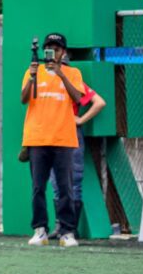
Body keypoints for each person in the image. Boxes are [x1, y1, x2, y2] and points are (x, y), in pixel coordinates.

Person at [21, 33, 84, 248]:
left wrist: (61, 75)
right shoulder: (34, 71)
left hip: (63, 138)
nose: (53, 52)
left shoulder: (73, 72)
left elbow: (78, 98)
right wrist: (31, 77)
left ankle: (67, 231)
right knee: (38, 187)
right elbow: (23, 99)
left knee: (66, 187)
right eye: (49, 48)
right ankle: (40, 230)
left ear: (63, 52)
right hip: (37, 138)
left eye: (57, 49)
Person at [49, 53, 106, 239]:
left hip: (68, 133)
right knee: (58, 182)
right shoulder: (50, 85)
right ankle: (63, 227)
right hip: (55, 134)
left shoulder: (73, 82)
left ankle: (68, 228)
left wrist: (80, 119)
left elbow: (99, 102)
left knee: (71, 182)